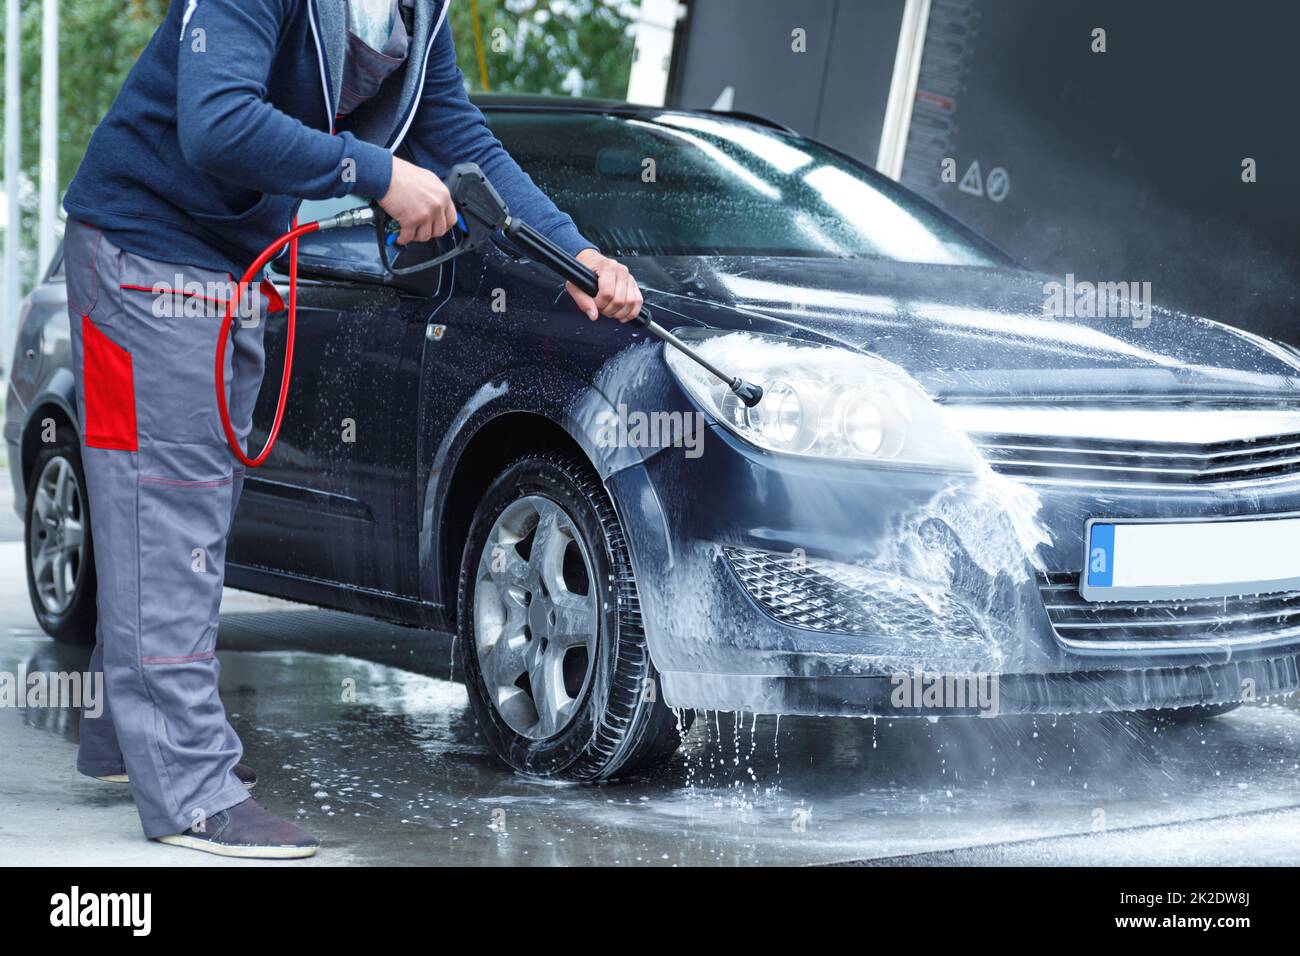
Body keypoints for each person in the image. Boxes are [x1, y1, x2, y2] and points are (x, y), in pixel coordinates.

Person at [60, 0, 642, 859]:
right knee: (169, 507)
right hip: (145, 255)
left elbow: (464, 142)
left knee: (187, 508)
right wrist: (376, 173)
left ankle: (127, 741)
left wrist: (574, 259)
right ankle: (187, 789)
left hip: (225, 264)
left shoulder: (417, 13)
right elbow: (215, 123)